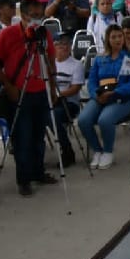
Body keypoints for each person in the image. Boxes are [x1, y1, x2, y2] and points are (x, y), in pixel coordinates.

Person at [0, 0, 59, 196]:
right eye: (33, 15)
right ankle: (24, 179)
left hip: (41, 91)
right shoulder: (8, 34)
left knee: (38, 135)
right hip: (19, 93)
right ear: (23, 15)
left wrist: (53, 88)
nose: (36, 19)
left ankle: (38, 172)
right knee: (23, 137)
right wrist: (8, 85)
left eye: (40, 15)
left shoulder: (44, 33)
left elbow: (51, 60)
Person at [76, 24, 130, 170]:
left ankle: (108, 152)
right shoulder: (100, 59)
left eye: (120, 36)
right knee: (83, 120)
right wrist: (95, 95)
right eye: (113, 37)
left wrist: (116, 92)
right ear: (107, 40)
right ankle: (97, 150)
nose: (117, 40)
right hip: (100, 97)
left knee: (104, 120)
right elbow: (91, 81)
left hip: (121, 99)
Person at [51, 33, 84, 168]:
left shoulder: (76, 64)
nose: (64, 47)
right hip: (50, 100)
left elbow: (75, 88)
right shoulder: (49, 63)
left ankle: (67, 150)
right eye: (59, 44)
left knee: (54, 116)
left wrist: (57, 95)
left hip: (69, 102)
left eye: (67, 44)